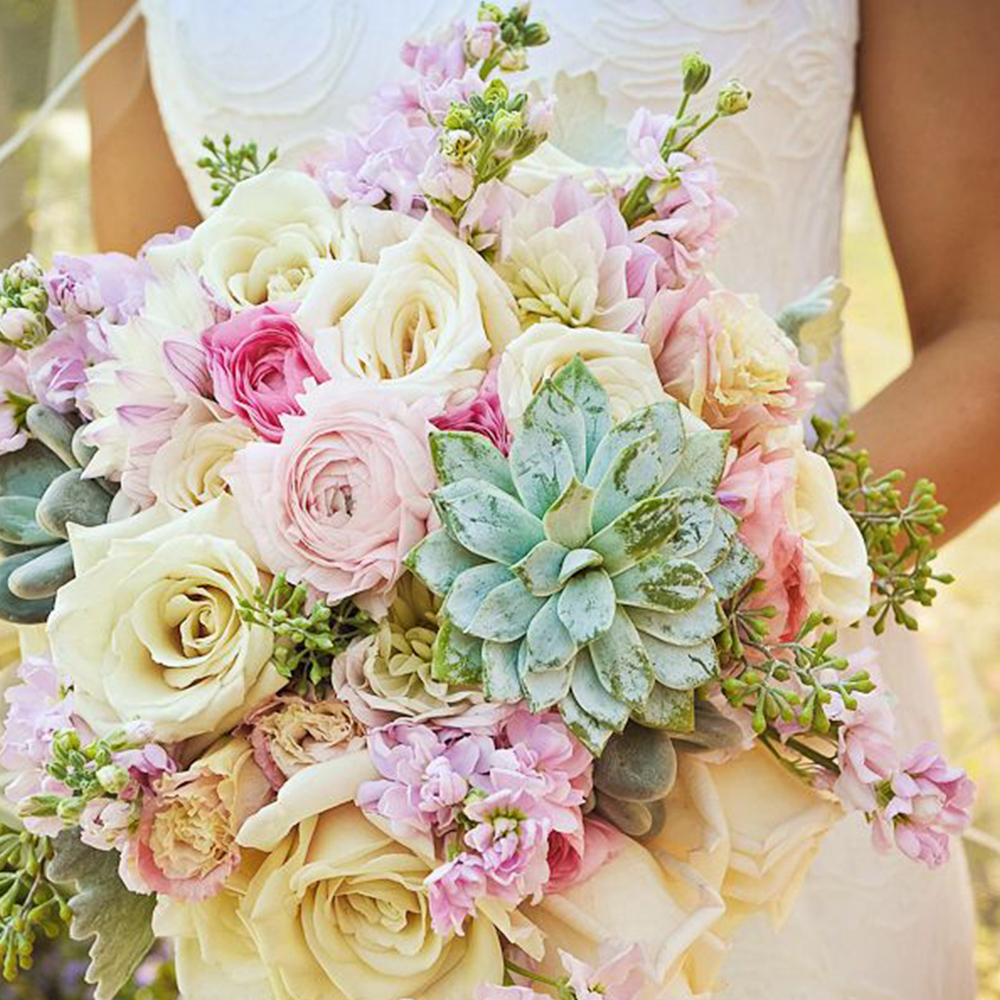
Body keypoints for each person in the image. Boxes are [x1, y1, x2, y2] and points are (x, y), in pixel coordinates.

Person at [75, 1, 1000, 996]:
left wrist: (671, 623)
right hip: (343, 857)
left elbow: (984, 336)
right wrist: (341, 695)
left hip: (759, 753)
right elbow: (143, 355)